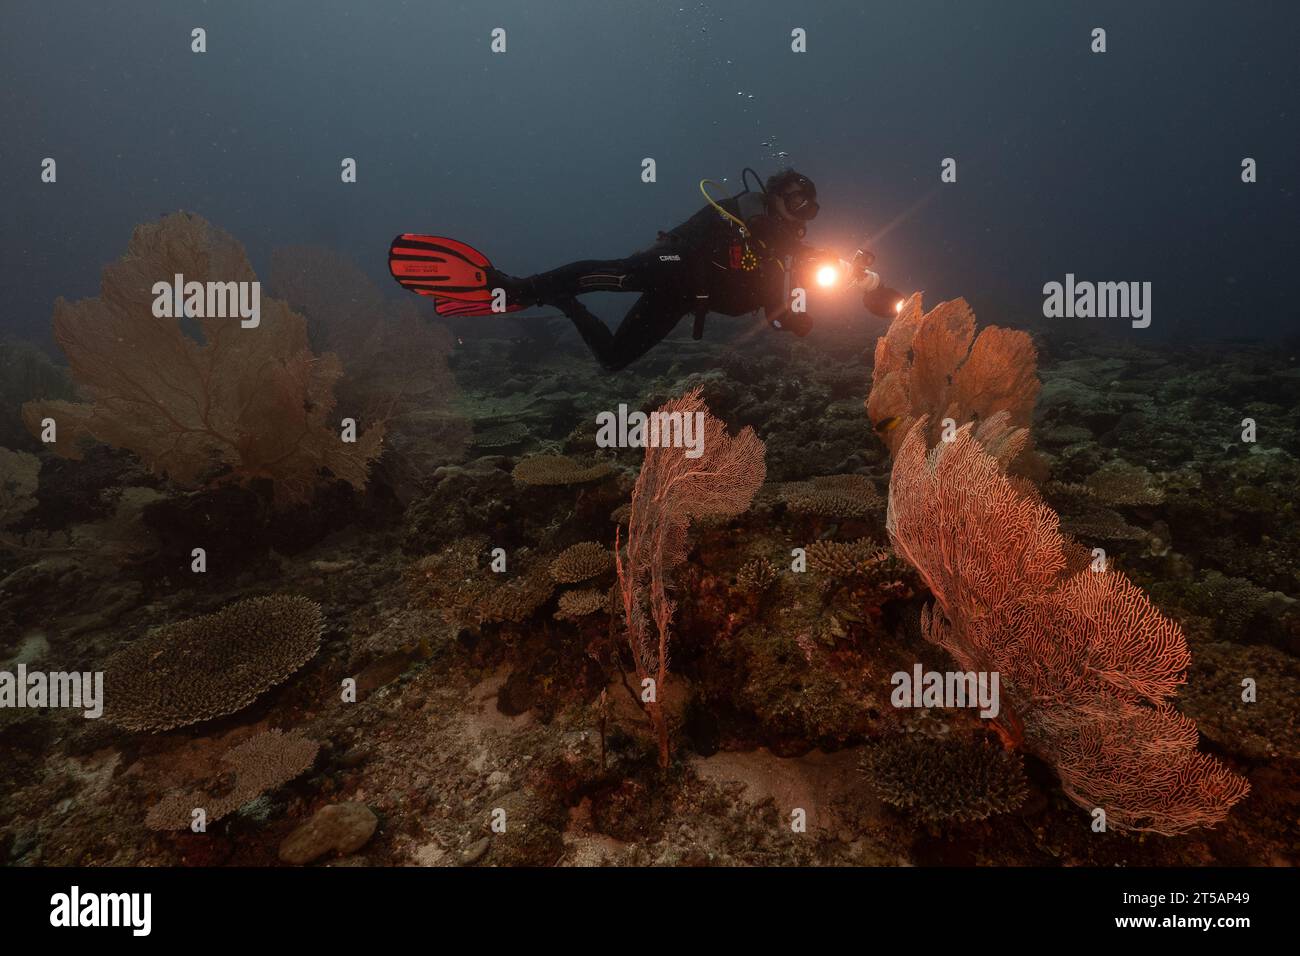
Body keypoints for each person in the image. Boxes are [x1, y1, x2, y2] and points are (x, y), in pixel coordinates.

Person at [493, 169, 852, 371]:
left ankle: (562, 300)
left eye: (809, 207)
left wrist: (791, 320)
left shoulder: (780, 253)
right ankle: (521, 288)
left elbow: (772, 311)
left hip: (683, 299)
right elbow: (736, 232)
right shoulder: (742, 214)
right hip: (675, 264)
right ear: (773, 196)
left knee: (614, 358)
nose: (801, 211)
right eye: (795, 201)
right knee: (621, 274)